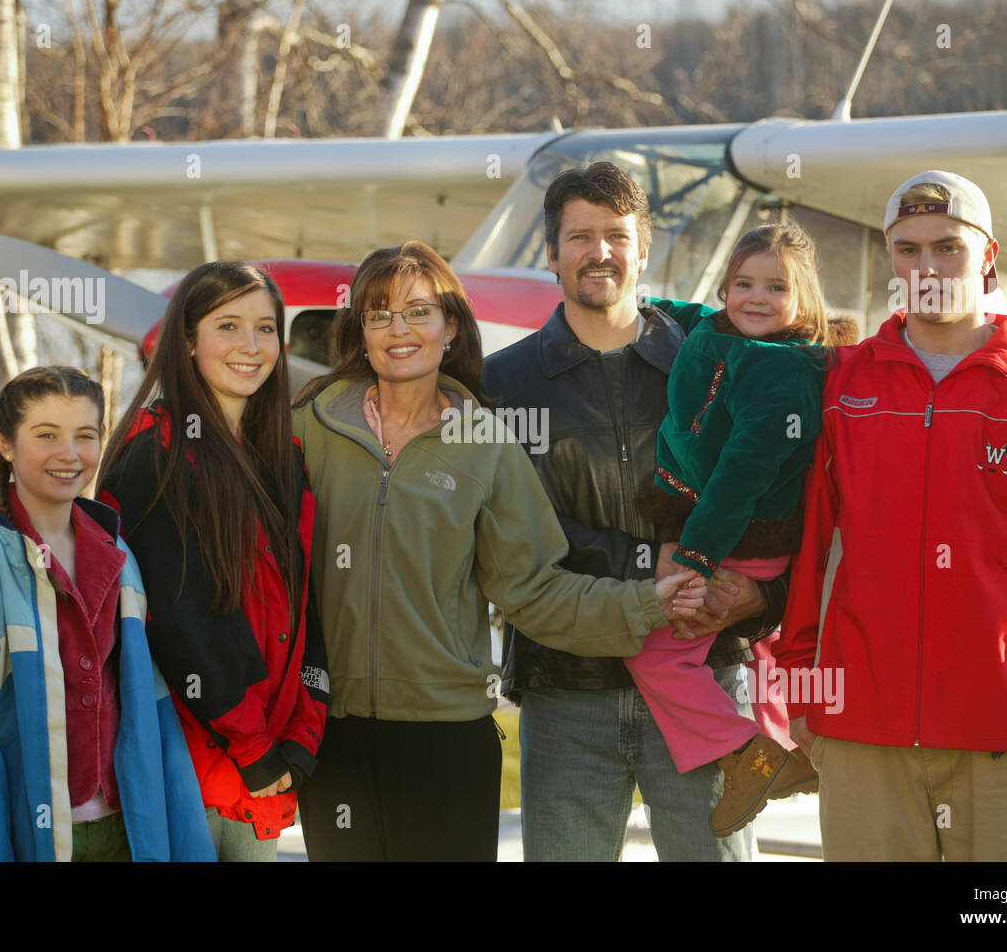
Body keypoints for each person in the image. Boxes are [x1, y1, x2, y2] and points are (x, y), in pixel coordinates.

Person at [290, 240, 707, 862]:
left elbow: (533, 589)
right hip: (331, 734)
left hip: (446, 741)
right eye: (379, 315)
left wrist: (645, 602)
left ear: (451, 326)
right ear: (361, 330)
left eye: (418, 312)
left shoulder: (485, 441)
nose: (398, 330)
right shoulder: (310, 426)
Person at [776, 170, 1007, 861]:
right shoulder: (839, 384)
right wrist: (801, 692)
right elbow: (808, 549)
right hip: (859, 736)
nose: (926, 267)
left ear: (989, 255)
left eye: (947, 247)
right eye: (906, 249)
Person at [482, 161, 791, 862]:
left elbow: (779, 500)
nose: (600, 253)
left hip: (705, 676)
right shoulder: (503, 384)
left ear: (644, 249)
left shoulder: (717, 363)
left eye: (617, 236)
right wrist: (648, 562)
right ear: (553, 253)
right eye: (580, 236)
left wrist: (766, 593)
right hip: (568, 689)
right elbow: (515, 538)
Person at [0, 366, 214, 861]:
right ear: (4, 443)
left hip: (123, 831)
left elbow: (149, 710)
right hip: (29, 839)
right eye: (46, 435)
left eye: (84, 436)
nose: (69, 454)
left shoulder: (117, 553)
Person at [98, 261, 329, 861]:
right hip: (196, 767)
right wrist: (253, 747)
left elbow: (307, 608)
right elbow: (181, 622)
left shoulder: (284, 458)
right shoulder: (155, 458)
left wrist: (305, 731)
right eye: (228, 326)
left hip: (269, 763)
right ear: (186, 340)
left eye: (266, 328)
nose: (251, 347)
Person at [628, 223, 850, 837]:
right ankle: (791, 748)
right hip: (722, 533)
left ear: (804, 299)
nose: (756, 297)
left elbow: (738, 480)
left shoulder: (784, 375)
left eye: (776, 287)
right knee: (762, 653)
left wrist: (694, 559)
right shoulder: (714, 328)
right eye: (743, 283)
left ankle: (748, 756)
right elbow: (683, 311)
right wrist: (636, 305)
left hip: (740, 540)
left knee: (653, 651)